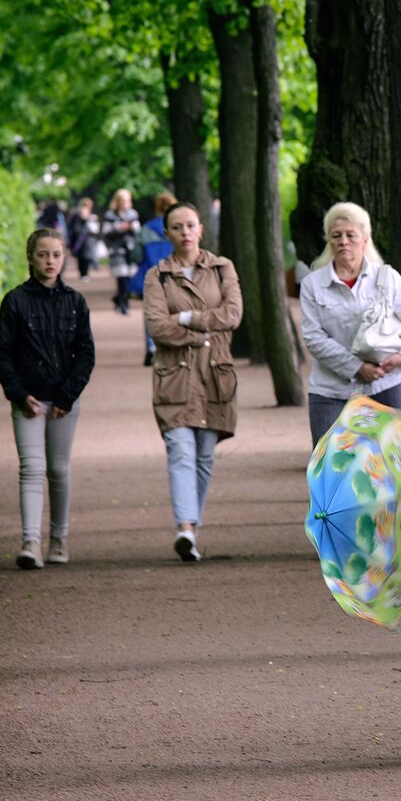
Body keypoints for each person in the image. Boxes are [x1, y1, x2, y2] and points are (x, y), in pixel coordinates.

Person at [143, 202, 243, 562]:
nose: (184, 232)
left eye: (190, 225)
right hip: (176, 377)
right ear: (167, 233)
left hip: (215, 374)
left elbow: (233, 314)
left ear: (201, 229)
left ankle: (191, 532)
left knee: (203, 457)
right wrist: (202, 330)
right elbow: (158, 327)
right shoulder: (158, 276)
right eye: (176, 227)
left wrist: (186, 316)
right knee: (181, 451)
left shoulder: (222, 267)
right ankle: (184, 527)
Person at [0, 228, 96, 569]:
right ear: (30, 258)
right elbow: (2, 353)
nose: (50, 261)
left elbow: (86, 354)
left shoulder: (75, 302)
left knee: (58, 469)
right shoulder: (15, 301)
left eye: (56, 255)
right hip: (29, 401)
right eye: (43, 255)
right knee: (31, 469)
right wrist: (19, 394)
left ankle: (59, 539)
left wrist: (68, 395)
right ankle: (30, 542)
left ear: (64, 258)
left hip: (64, 402)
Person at [299, 202, 401, 445]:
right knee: (330, 469)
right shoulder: (312, 284)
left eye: (351, 235)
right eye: (336, 236)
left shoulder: (388, 278)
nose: (343, 242)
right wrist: (356, 367)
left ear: (365, 238)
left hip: (386, 386)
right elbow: (313, 338)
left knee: (392, 466)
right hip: (331, 392)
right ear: (328, 240)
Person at [131, 192, 178, 366]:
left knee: (151, 313)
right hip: (174, 275)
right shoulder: (178, 228)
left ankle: (152, 347)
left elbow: (136, 254)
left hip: (151, 275)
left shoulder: (147, 228)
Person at [102, 188, 140, 315]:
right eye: (122, 200)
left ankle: (119, 298)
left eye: (127, 200)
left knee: (129, 277)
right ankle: (124, 305)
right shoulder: (110, 215)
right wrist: (119, 228)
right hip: (117, 249)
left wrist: (131, 227)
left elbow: (137, 231)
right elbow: (106, 232)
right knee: (121, 277)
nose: (124, 203)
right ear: (117, 201)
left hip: (131, 249)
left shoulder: (133, 214)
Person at [66, 197, 99, 282]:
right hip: (78, 239)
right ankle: (82, 273)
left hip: (87, 240)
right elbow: (72, 227)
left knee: (87, 256)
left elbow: (95, 228)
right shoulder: (76, 215)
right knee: (80, 257)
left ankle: (85, 273)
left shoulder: (91, 216)